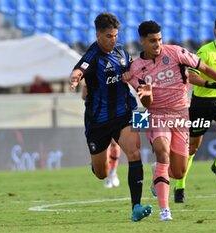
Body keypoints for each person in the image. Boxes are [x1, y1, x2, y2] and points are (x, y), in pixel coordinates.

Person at [124, 20, 216, 221]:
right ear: (142, 41)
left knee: (179, 172)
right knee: (162, 151)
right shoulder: (135, 69)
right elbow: (146, 101)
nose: (157, 44)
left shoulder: (176, 52)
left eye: (159, 40)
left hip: (181, 114)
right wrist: (146, 95)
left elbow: (206, 69)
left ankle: (161, 174)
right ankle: (165, 211)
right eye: (152, 41)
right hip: (156, 115)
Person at [69, 13, 152, 222]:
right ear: (98, 35)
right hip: (98, 121)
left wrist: (139, 84)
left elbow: (133, 72)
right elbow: (80, 69)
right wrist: (76, 77)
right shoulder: (92, 55)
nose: (113, 39)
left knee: (134, 152)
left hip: (125, 113)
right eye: (108, 36)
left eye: (115, 35)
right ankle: (98, 165)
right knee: (101, 173)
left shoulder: (122, 51)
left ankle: (136, 207)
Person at [173, 16, 216, 203]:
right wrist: (209, 84)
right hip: (201, 104)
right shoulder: (205, 52)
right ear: (214, 31)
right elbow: (190, 75)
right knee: (192, 148)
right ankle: (179, 188)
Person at [82, 85, 121, 188]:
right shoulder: (93, 74)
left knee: (119, 143)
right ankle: (109, 173)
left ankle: (113, 173)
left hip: (120, 111)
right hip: (101, 115)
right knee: (108, 144)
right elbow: (83, 95)